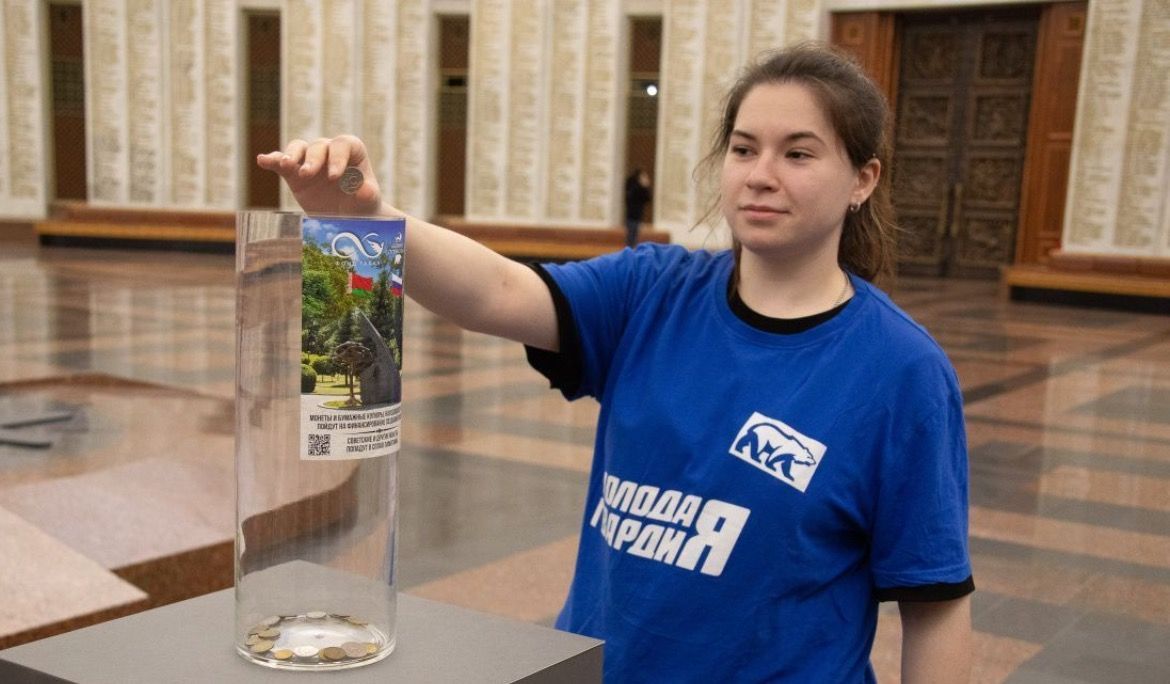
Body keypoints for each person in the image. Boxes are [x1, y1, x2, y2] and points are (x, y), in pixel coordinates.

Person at [258, 42, 973, 683]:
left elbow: (935, 603)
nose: (761, 175)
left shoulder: (899, 371)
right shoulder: (650, 292)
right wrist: (368, 218)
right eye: (744, 148)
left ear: (862, 179)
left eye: (798, 154)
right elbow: (497, 291)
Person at [624, 169, 652, 247]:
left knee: (634, 236)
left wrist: (645, 187)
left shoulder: (637, 187)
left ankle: (631, 249)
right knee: (631, 236)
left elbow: (647, 199)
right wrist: (644, 186)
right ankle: (630, 250)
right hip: (632, 215)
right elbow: (635, 197)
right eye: (643, 176)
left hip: (636, 215)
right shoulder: (634, 187)